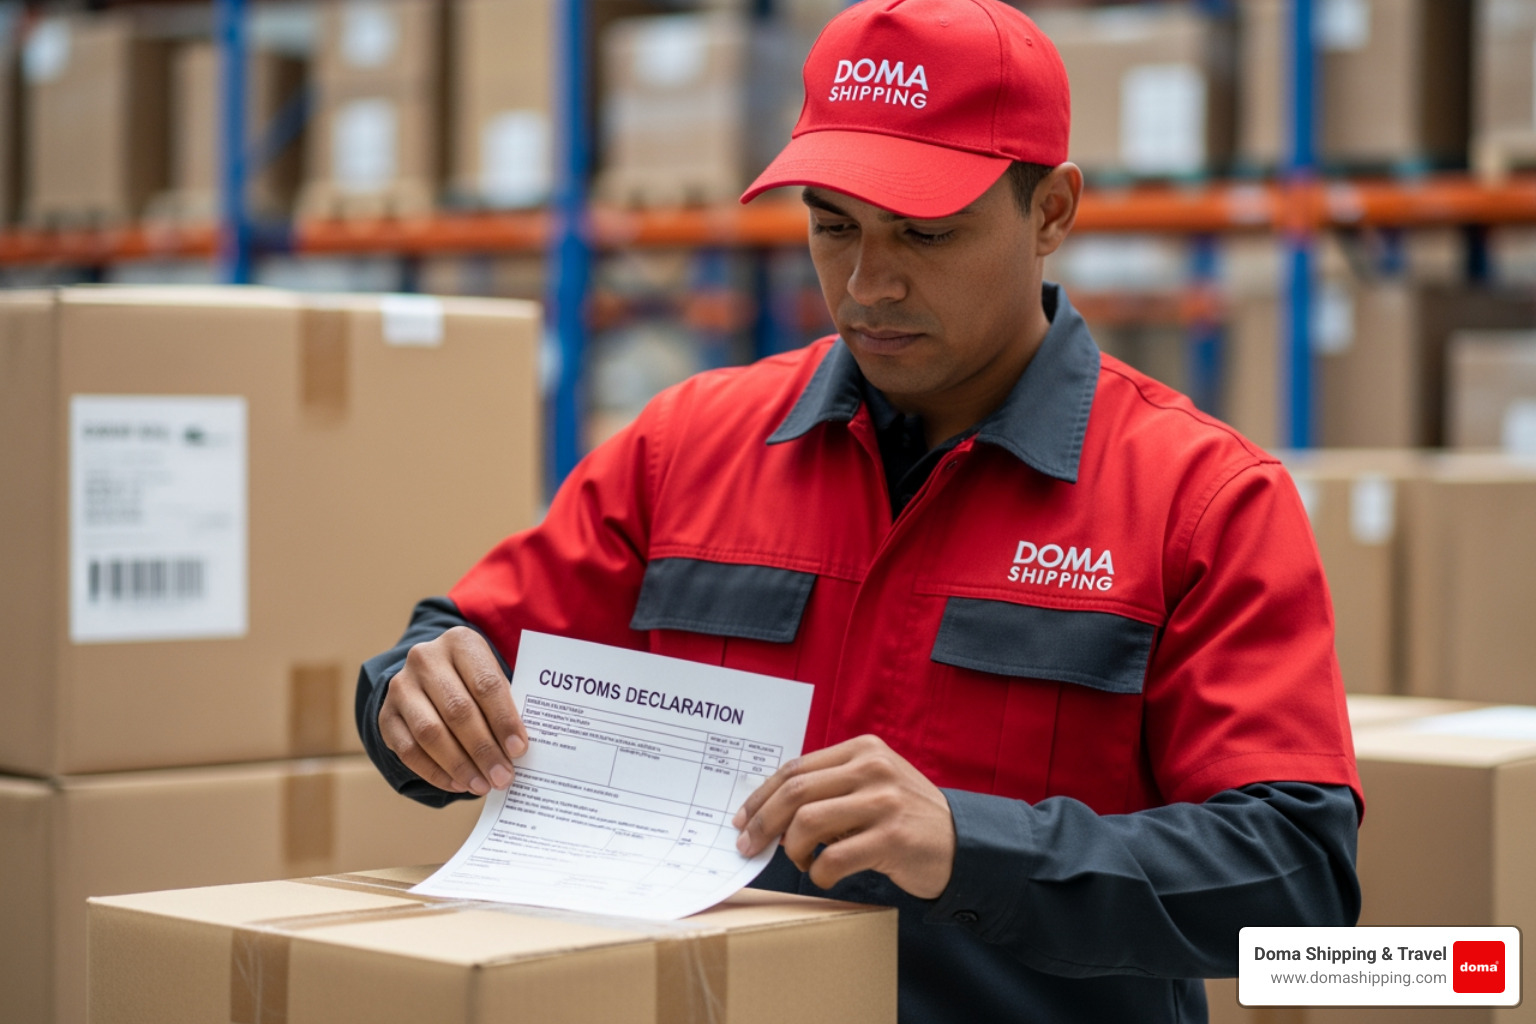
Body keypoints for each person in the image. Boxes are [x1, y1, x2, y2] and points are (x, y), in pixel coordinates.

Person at [356, 1, 1363, 1020]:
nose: (868, 284)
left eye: (926, 233)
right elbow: (465, 642)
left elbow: (1295, 879)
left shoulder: (1199, 499)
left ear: (1052, 211)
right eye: (834, 226)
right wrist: (416, 692)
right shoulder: (689, 448)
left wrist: (973, 846)